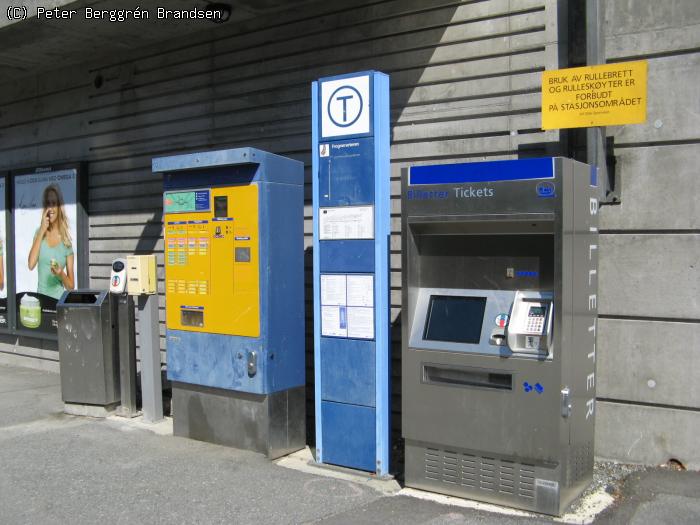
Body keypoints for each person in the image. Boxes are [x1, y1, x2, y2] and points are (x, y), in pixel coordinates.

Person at [27, 184, 74, 299]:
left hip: (58, 301)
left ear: (59, 207)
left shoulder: (66, 242)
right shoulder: (39, 233)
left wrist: (60, 273)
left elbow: (71, 286)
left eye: (54, 204)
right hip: (40, 300)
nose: (51, 208)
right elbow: (31, 264)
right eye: (48, 203)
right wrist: (42, 229)